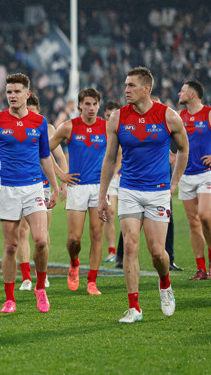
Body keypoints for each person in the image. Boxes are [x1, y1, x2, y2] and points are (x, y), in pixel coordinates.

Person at [98, 66, 188, 323]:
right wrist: (102, 196)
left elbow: (183, 149)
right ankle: (134, 307)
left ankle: (164, 282)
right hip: (128, 190)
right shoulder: (117, 118)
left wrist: (174, 183)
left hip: (158, 192)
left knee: (157, 252)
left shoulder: (168, 117)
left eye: (131, 86)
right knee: (130, 246)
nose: (126, 90)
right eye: (125, 85)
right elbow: (109, 159)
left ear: (147, 88)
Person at [0, 73, 59, 314]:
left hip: (34, 186)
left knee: (41, 240)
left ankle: (40, 289)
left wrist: (55, 187)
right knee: (11, 246)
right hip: (8, 189)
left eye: (17, 91)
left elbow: (45, 156)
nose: (12, 96)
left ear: (27, 94)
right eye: (9, 92)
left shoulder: (39, 122)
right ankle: (9, 298)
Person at [49, 88, 107, 295]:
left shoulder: (107, 128)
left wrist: (112, 174)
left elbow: (118, 154)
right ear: (80, 105)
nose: (91, 108)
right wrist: (61, 174)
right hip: (76, 186)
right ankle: (74, 263)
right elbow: (43, 151)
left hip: (99, 188)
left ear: (99, 106)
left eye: (95, 104)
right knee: (74, 239)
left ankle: (92, 280)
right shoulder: (68, 127)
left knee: (96, 233)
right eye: (87, 104)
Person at [16, 94, 67, 291]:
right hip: (20, 183)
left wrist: (61, 184)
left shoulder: (47, 128)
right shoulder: (15, 125)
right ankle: (27, 278)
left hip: (43, 185)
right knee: (22, 231)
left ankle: (41, 274)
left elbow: (60, 157)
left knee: (42, 235)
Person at [177, 80, 211, 280]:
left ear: (192, 95)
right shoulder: (178, 117)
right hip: (186, 175)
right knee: (193, 222)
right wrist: (171, 157)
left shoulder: (207, 113)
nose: (179, 94)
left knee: (205, 216)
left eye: (182, 91)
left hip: (206, 173)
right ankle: (201, 269)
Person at [102, 101, 121, 263]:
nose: (110, 118)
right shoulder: (102, 130)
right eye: (108, 115)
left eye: (113, 115)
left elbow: (120, 154)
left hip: (125, 175)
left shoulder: (122, 127)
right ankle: (112, 251)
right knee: (110, 213)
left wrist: (116, 172)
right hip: (111, 177)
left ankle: (125, 249)